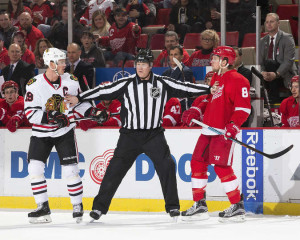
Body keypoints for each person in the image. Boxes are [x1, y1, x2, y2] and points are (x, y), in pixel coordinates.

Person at [65, 49, 217, 221]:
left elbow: (185, 87)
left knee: (167, 167)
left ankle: (173, 207)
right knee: (114, 171)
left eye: (143, 64)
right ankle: (99, 208)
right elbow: (103, 90)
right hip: (129, 136)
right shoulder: (126, 82)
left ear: (151, 66)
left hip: (154, 135)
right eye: (138, 64)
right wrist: (80, 97)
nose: (140, 67)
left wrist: (208, 89)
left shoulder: (162, 82)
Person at [24, 48, 97, 224]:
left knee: (70, 170)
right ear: (51, 64)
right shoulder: (33, 84)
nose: (66, 64)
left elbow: (78, 104)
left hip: (65, 132)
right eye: (62, 62)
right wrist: (51, 117)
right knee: (34, 169)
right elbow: (30, 113)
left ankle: (77, 206)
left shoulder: (71, 81)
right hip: (41, 133)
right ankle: (43, 207)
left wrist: (94, 111)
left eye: (65, 61)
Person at [181, 46, 251, 222]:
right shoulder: (217, 78)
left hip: (222, 131)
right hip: (208, 129)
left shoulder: (239, 80)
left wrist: (233, 125)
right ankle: (200, 204)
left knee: (221, 166)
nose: (211, 60)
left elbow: (243, 108)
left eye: (215, 58)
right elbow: (208, 99)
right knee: (197, 162)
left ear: (225, 62)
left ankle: (237, 206)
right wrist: (196, 110)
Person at [259, 13, 297, 104]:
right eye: (267, 22)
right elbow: (260, 61)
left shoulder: (287, 38)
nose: (268, 24)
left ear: (278, 23)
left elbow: (288, 62)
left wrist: (276, 74)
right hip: (267, 74)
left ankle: (273, 100)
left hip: (283, 74)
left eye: (271, 22)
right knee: (262, 67)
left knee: (271, 64)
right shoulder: (262, 41)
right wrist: (263, 72)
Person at [162, 45, 194, 110]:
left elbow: (183, 92)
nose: (173, 57)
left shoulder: (186, 71)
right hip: (167, 107)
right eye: (171, 55)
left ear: (182, 56)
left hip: (180, 108)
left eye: (176, 55)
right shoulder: (165, 73)